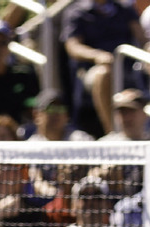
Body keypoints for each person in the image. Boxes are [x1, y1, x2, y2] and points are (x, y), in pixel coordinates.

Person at [62, 0, 145, 136]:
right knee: (104, 73)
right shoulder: (76, 12)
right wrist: (96, 56)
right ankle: (113, 132)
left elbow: (142, 39)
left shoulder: (124, 9)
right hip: (93, 70)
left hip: (129, 69)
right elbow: (73, 47)